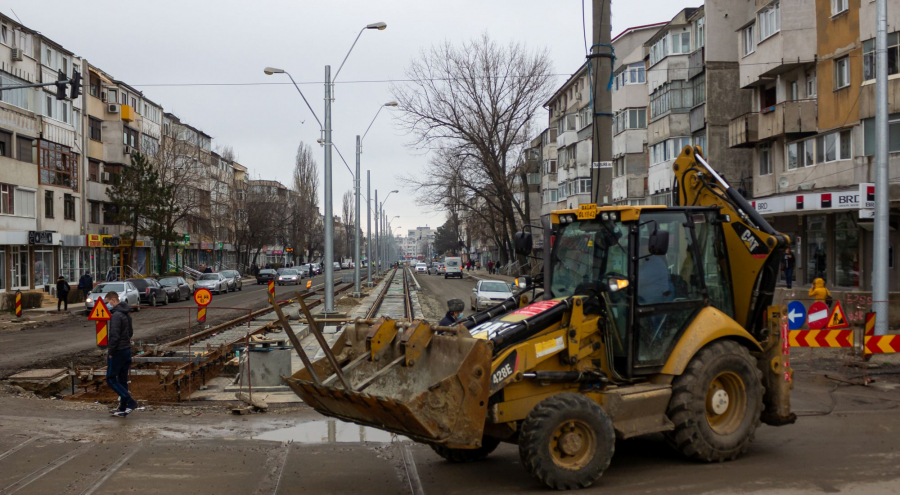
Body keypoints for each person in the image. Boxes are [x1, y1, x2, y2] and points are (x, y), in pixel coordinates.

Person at [105, 292, 138, 417]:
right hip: (126, 350)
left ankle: (130, 402)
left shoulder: (116, 316)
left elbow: (114, 336)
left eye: (108, 302)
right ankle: (122, 408)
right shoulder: (126, 314)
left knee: (111, 379)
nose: (108, 305)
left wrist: (111, 352)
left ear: (113, 300)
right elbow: (130, 332)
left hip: (118, 351)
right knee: (122, 379)